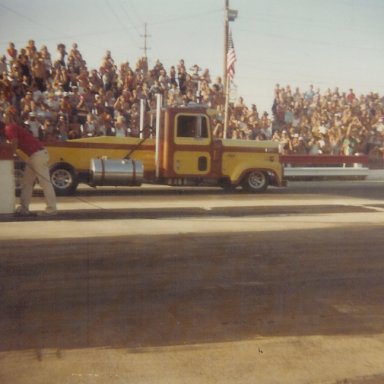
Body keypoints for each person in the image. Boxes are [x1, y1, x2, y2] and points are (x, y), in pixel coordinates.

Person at [0, 113, 57, 216]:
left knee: (44, 182)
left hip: (37, 154)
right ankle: (24, 209)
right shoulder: (10, 127)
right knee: (27, 183)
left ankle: (51, 209)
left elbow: (14, 142)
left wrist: (11, 155)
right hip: (34, 155)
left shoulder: (9, 128)